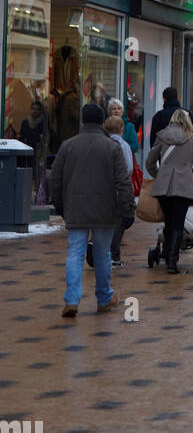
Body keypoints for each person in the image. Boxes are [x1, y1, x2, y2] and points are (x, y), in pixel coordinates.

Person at [49, 103, 134, 318]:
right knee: (102, 253)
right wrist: (127, 208)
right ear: (100, 121)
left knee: (75, 252)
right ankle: (104, 297)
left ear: (83, 121)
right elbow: (123, 182)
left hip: (75, 207)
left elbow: (55, 178)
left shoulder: (68, 146)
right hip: (105, 209)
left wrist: (59, 204)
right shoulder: (112, 147)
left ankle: (71, 299)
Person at [145, 109, 193, 275]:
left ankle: (167, 255)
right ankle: (172, 263)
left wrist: (158, 176)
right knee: (178, 223)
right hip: (183, 186)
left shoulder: (162, 135)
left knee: (168, 221)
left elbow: (150, 162)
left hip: (163, 187)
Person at [105, 115, 135, 267]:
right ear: (121, 129)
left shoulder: (103, 143)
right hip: (119, 188)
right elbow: (129, 168)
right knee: (120, 221)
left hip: (104, 188)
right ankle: (113, 254)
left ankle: (102, 252)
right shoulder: (123, 145)